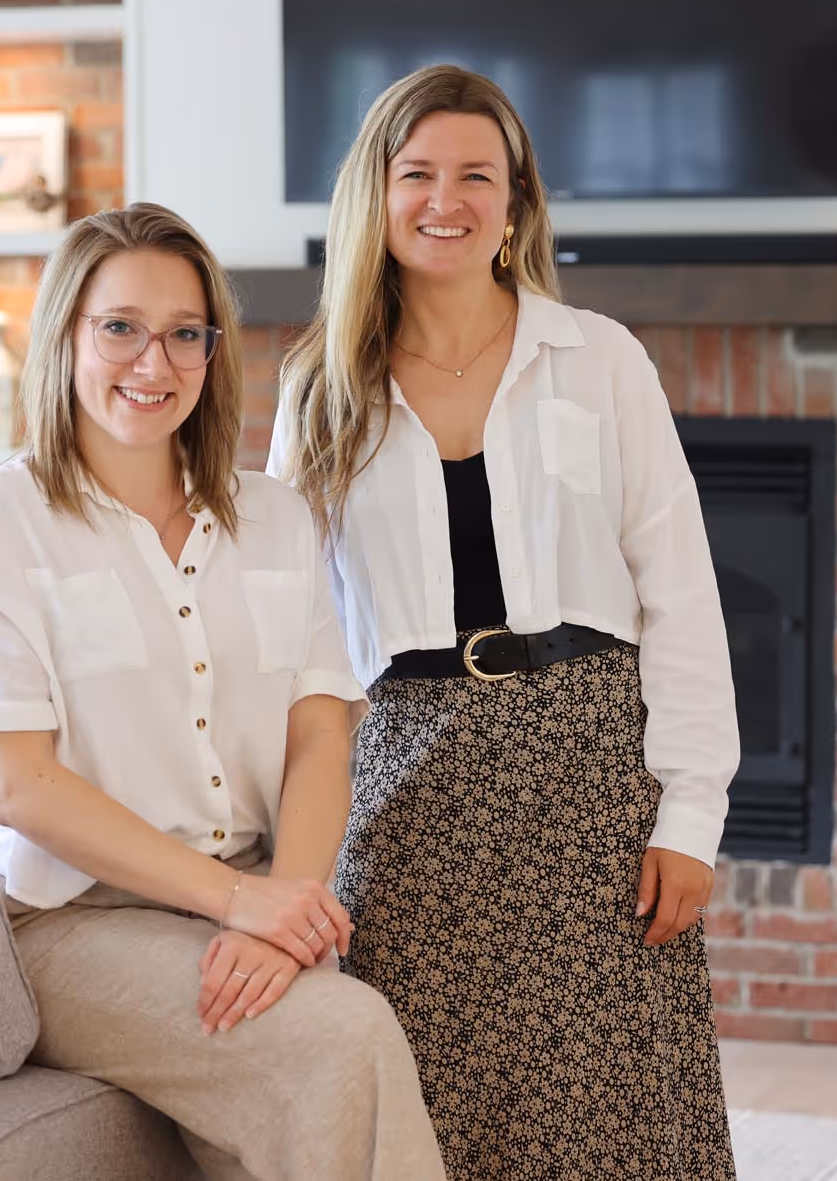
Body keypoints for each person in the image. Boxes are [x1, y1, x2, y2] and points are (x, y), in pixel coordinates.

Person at [270, 65, 740, 1179]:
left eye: (476, 174)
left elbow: (679, 588)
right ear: (373, 197)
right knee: (428, 1108)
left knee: (611, 1108)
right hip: (406, 783)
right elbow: (287, 634)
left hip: (590, 780)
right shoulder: (319, 389)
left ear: (517, 202)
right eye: (417, 172)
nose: (447, 197)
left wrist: (690, 810)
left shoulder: (600, 359)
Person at [0, 202, 446, 1181]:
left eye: (183, 334)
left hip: (253, 882)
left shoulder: (276, 515)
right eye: (118, 327)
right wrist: (238, 902)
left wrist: (286, 899)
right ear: (65, 335)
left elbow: (319, 737)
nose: (151, 363)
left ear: (213, 350)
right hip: (71, 921)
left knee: (307, 1061)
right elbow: (20, 787)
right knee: (341, 1034)